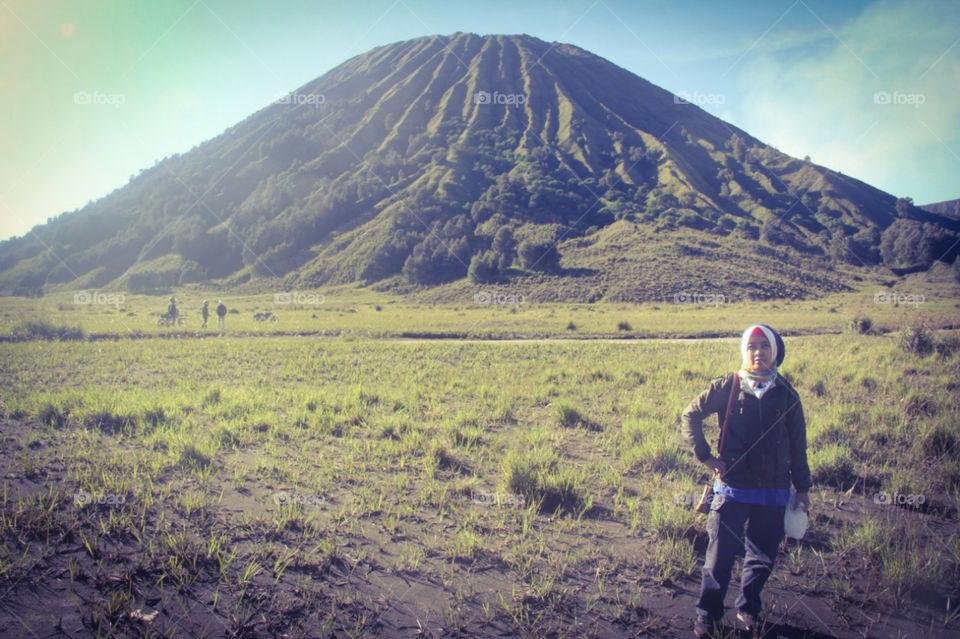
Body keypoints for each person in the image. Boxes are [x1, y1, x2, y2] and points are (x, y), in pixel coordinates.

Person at [681, 324, 811, 637]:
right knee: (719, 557)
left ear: (774, 352)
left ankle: (748, 609)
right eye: (751, 346)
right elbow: (691, 415)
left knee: (762, 557)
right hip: (731, 490)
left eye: (763, 347)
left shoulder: (787, 394)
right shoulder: (729, 384)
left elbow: (798, 445)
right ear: (744, 350)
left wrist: (803, 489)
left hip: (774, 493)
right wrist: (705, 455)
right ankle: (707, 616)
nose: (757, 353)